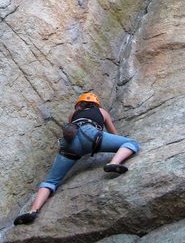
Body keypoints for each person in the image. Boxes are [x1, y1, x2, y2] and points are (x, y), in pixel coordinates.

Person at [14, 92, 140, 225]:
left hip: (70, 145)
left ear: (79, 105)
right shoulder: (102, 111)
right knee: (131, 143)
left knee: (51, 181)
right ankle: (114, 163)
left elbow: (72, 130)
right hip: (91, 136)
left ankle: (33, 211)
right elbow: (113, 133)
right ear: (96, 104)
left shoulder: (72, 115)